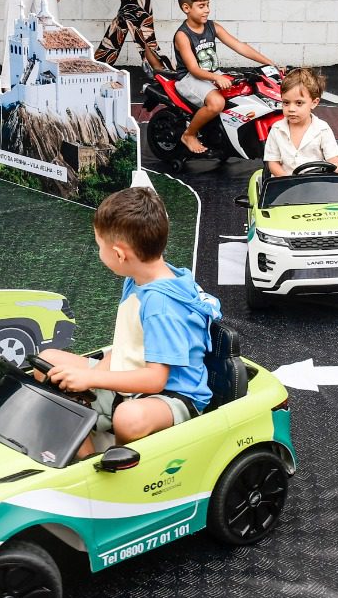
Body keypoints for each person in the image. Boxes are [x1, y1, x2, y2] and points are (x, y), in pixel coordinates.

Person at [36, 186, 220, 458]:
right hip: (129, 375)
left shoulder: (160, 305)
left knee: (128, 418)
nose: (99, 253)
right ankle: (86, 435)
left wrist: (91, 377)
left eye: (100, 247)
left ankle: (118, 458)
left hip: (172, 395)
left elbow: (156, 379)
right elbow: (124, 345)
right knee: (48, 359)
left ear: (120, 254)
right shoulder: (136, 279)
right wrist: (96, 376)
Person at [170, 0, 277, 155]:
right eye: (201, 6)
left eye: (208, 5)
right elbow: (194, 69)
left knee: (243, 91)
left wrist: (269, 63)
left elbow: (239, 46)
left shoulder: (213, 27)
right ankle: (189, 135)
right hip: (190, 78)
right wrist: (217, 78)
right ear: (186, 8)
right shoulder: (183, 35)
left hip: (212, 74)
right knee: (217, 102)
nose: (207, 10)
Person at [265, 67, 338, 175]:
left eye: (299, 103)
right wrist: (288, 180)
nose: (291, 109)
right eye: (286, 103)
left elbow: (333, 159)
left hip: (316, 184)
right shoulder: (277, 129)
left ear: (314, 102)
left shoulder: (322, 129)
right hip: (285, 185)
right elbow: (273, 163)